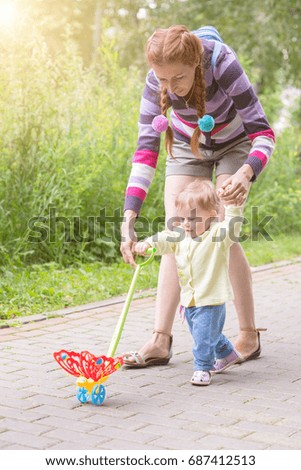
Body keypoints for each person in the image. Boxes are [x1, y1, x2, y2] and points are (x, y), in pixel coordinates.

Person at [120, 25, 275, 367]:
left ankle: (248, 334)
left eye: (177, 78)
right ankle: (161, 340)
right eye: (162, 79)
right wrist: (128, 217)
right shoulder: (155, 82)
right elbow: (146, 151)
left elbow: (263, 133)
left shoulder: (223, 64)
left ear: (196, 64)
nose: (169, 88)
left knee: (221, 231)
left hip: (235, 144)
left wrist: (246, 174)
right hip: (189, 145)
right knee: (178, 228)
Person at [134, 181, 243, 385]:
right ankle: (228, 353)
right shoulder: (181, 236)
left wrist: (233, 206)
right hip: (190, 300)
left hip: (211, 299)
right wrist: (148, 243)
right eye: (182, 218)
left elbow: (233, 227)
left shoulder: (217, 235)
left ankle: (203, 367)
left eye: (192, 218)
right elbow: (164, 238)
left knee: (202, 337)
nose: (186, 223)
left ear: (211, 214)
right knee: (208, 334)